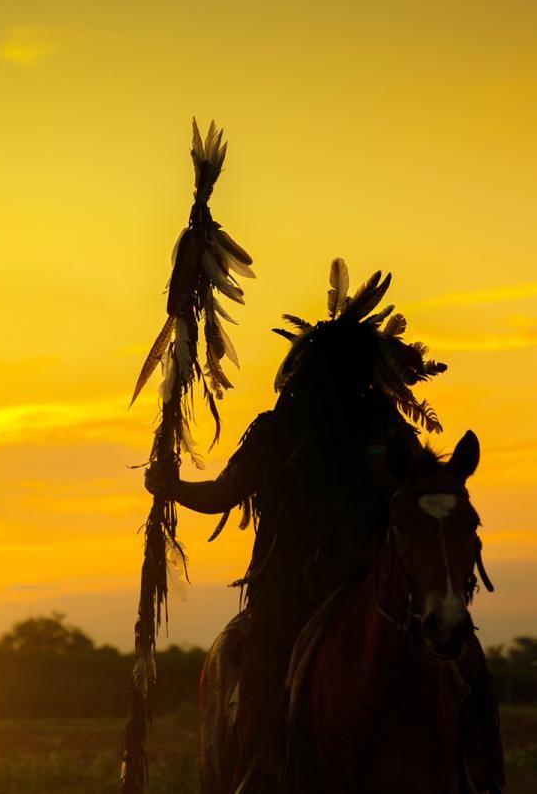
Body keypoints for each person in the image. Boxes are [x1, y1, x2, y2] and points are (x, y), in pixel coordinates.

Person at [144, 267, 504, 794]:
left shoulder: (385, 431)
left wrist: (170, 486)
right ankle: (259, 773)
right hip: (290, 588)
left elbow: (422, 493)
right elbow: (223, 494)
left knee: (462, 657)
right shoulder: (280, 432)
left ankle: (481, 775)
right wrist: (170, 486)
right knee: (266, 668)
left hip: (374, 581)